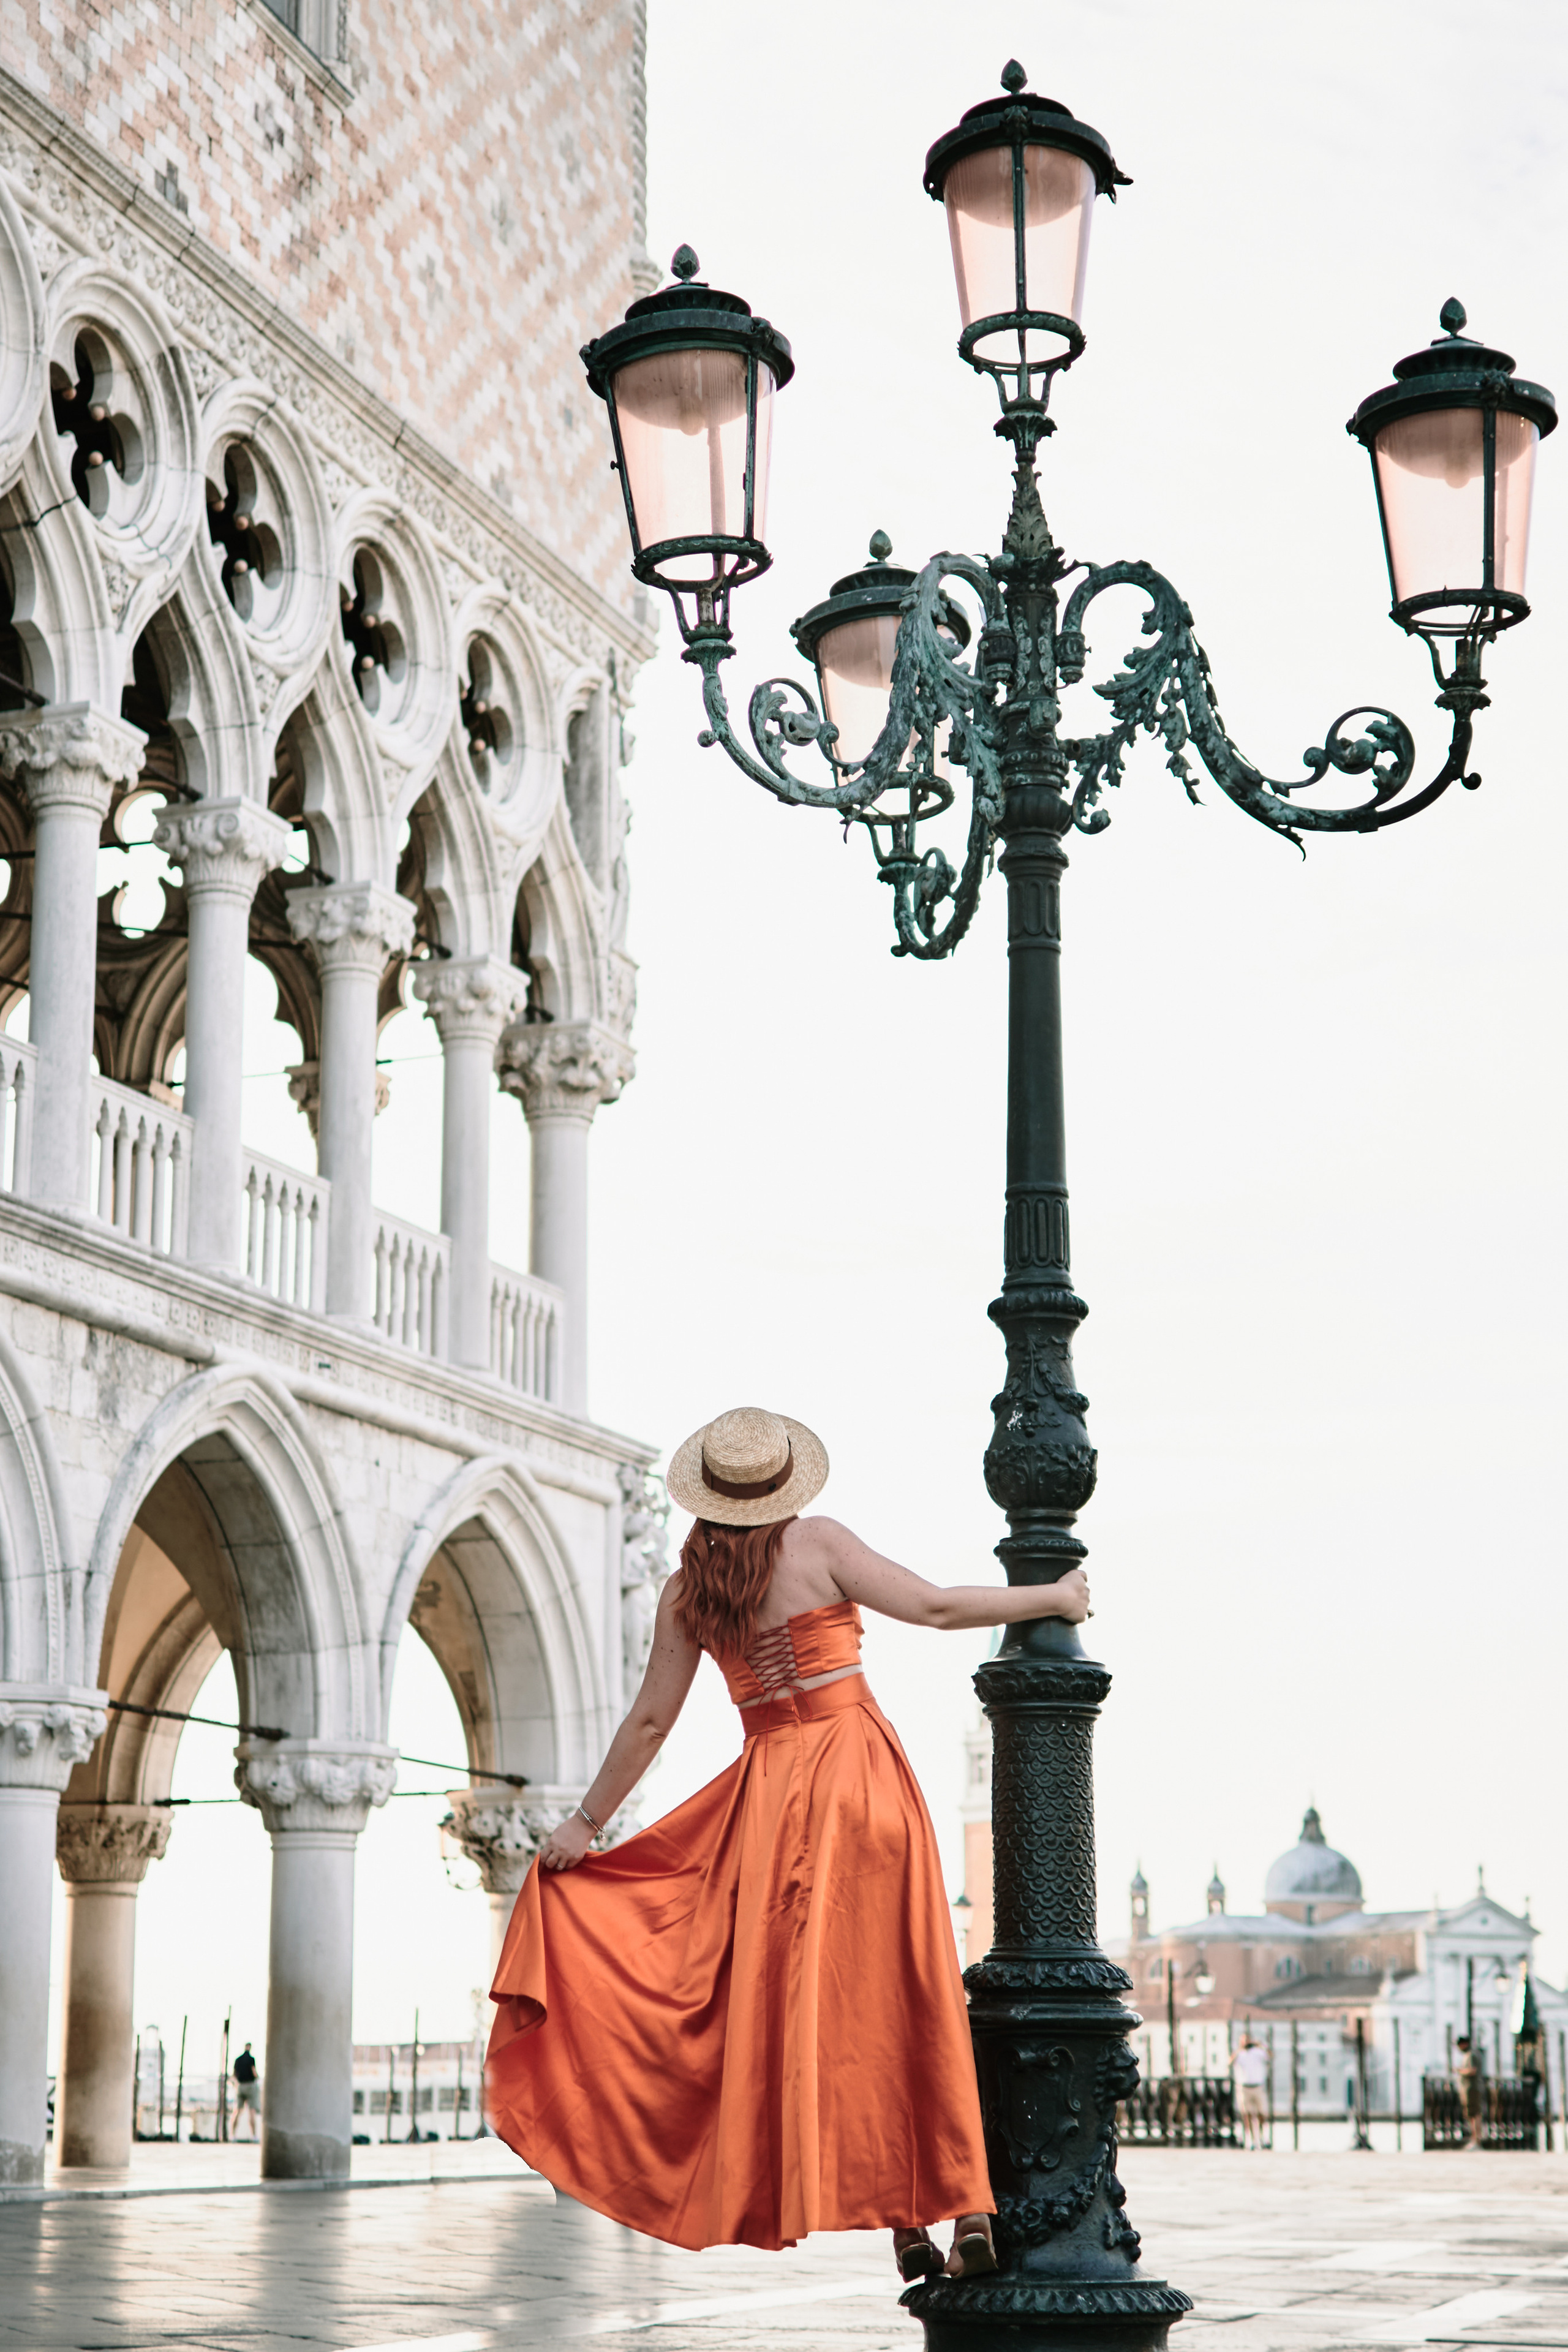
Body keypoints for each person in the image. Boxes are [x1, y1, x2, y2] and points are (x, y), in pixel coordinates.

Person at [486, 1406, 1092, 2280]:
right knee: (910, 1987)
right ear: (782, 1484)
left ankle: (906, 2224)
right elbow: (931, 1604)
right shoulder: (818, 1544)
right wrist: (1054, 1596)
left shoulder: (688, 1589)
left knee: (820, 2010)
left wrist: (586, 1824)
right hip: (859, 1781)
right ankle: (961, 2206)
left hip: (770, 1802)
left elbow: (652, 1721)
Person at [1231, 2035, 1270, 2149]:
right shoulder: (1240, 2054)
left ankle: (1263, 2137)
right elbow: (1230, 2061)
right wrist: (1239, 2049)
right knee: (1246, 2114)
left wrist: (1261, 2045)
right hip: (1244, 2087)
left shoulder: (1258, 2053)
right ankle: (1251, 2140)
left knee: (1261, 2113)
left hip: (1258, 2086)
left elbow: (1270, 2056)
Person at [1455, 2035, 1485, 2148]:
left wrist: (1460, 2071)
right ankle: (1475, 2139)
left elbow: (1472, 2071)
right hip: (1470, 2088)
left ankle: (1476, 2140)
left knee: (1474, 2114)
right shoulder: (1469, 2055)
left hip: (1472, 2088)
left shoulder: (1471, 2055)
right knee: (1472, 2114)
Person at [231, 2043, 260, 2139]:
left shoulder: (238, 2060)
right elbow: (254, 2072)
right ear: (250, 2048)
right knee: (252, 2111)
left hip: (240, 2086)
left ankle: (233, 2135)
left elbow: (234, 2075)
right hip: (250, 2086)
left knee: (237, 2111)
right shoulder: (251, 2059)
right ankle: (254, 2135)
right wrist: (257, 2077)